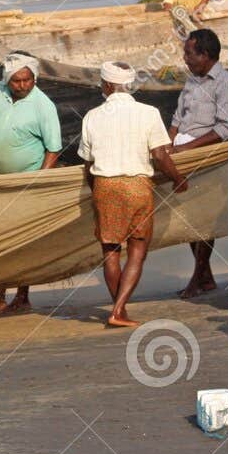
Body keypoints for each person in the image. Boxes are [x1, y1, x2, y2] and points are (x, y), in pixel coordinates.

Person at [78, 62, 189, 328]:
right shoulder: (149, 113)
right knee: (138, 250)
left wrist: (97, 191)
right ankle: (118, 310)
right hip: (138, 185)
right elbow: (160, 154)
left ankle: (120, 309)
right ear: (129, 85)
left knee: (111, 251)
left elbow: (87, 163)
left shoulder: (92, 116)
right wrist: (177, 179)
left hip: (105, 184)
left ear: (106, 86)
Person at [0, 52, 61, 315]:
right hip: (1, 183)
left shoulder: (44, 105)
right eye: (17, 81)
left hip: (27, 183)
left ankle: (21, 295)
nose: (23, 85)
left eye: (27, 80)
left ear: (34, 78)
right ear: (8, 80)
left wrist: (38, 181)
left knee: (22, 240)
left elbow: (54, 149)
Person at [169, 29, 228, 299]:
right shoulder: (193, 81)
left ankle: (198, 277)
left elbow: (226, 129)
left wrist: (186, 148)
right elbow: (178, 117)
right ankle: (206, 277)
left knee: (203, 219)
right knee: (190, 219)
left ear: (205, 55)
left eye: (189, 53)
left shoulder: (225, 84)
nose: (185, 58)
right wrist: (170, 143)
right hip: (183, 155)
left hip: (208, 157)